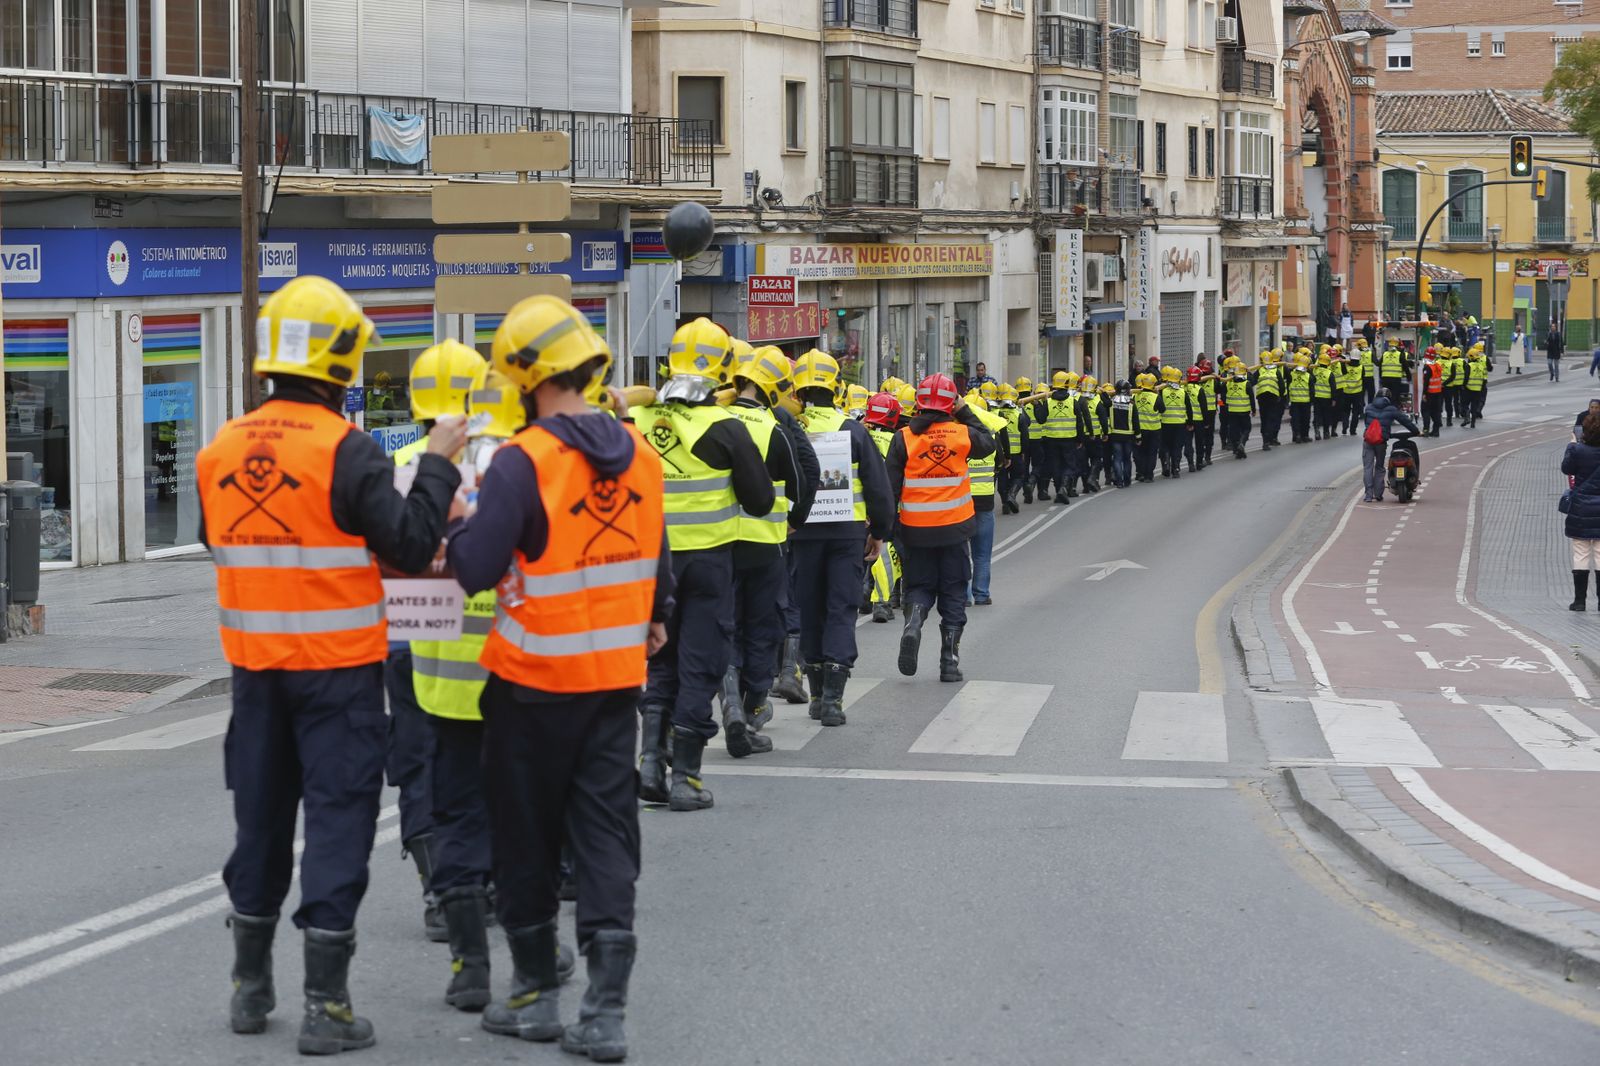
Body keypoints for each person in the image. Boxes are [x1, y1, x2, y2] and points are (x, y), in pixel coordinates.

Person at [198, 276, 464, 1053]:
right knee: (338, 825)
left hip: (255, 676)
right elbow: (410, 545)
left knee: (260, 825)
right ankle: (327, 1006)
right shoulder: (346, 451)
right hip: (339, 677)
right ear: (341, 361)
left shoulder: (219, 448)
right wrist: (439, 464)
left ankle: (249, 987)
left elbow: (222, 542)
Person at [444, 296, 667, 1061]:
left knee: (527, 838)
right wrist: (657, 612)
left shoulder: (524, 459)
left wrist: (460, 517)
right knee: (605, 836)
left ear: (526, 377)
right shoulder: (638, 452)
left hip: (531, 685)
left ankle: (535, 995)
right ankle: (604, 1012)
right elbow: (655, 550)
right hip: (613, 683)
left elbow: (474, 569)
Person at [633, 318, 775, 811]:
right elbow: (760, 502)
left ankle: (650, 762)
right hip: (707, 565)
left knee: (659, 662)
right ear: (725, 371)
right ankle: (686, 779)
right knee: (701, 663)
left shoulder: (638, 420)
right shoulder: (725, 427)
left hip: (650, 564)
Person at [388, 339, 487, 943]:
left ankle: (436, 890)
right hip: (482, 642)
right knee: (482, 764)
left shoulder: (397, 463)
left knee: (416, 760)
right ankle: (482, 881)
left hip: (407, 636)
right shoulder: (502, 460)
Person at [720, 345, 817, 757]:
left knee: (726, 622)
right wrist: (794, 519)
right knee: (763, 627)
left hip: (719, 542)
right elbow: (800, 482)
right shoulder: (773, 429)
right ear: (776, 388)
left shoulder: (718, 420)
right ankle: (753, 706)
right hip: (765, 545)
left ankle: (727, 696)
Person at [791, 350, 895, 727]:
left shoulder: (789, 427)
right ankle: (833, 701)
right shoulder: (853, 429)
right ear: (836, 388)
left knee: (809, 608)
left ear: (797, 389)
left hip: (800, 534)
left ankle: (817, 694)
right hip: (846, 535)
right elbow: (878, 487)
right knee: (840, 608)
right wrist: (880, 532)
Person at [887, 374, 996, 681]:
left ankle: (913, 624)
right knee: (954, 592)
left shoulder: (903, 438)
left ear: (918, 402)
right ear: (952, 403)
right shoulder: (962, 434)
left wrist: (891, 530)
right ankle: (949, 661)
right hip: (954, 530)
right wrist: (963, 409)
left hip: (915, 530)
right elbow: (988, 442)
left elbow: (889, 489)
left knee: (919, 587)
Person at [863, 392, 903, 622]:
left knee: (861, 553)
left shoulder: (860, 436)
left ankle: (863, 595)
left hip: (857, 508)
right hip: (886, 505)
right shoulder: (895, 441)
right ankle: (881, 602)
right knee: (885, 554)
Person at [965, 392, 1008, 605]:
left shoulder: (956, 435)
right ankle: (981, 594)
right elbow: (1000, 462)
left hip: (960, 502)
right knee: (982, 554)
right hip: (984, 501)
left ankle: (963, 596)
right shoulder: (990, 436)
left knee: (961, 553)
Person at [1030, 371, 1088, 503]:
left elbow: (1040, 419)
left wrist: (1037, 406)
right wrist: (1080, 439)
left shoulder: (1048, 402)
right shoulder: (1073, 402)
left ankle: (1058, 492)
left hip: (1051, 440)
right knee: (1070, 466)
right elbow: (1080, 423)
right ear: (1067, 384)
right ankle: (1064, 487)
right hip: (1069, 440)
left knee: (1055, 466)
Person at [1562, 412, 1600, 611]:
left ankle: (1579, 601)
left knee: (1581, 553)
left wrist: (1571, 445)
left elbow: (1566, 468)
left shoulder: (1578, 450)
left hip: (1581, 507)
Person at [1360, 388, 1420, 503]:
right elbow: (1405, 421)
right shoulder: (1391, 409)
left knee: (1368, 468)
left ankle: (1368, 496)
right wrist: (1416, 431)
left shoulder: (1369, 407)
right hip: (1381, 442)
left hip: (1368, 441)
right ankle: (1378, 494)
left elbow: (1367, 422)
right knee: (1379, 467)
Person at [1154, 366, 1193, 477]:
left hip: (1165, 423)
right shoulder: (1183, 392)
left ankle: (1166, 464)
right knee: (1177, 446)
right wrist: (1190, 423)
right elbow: (1189, 409)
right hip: (1179, 424)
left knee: (1165, 445)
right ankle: (1175, 468)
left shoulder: (1163, 391)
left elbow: (1158, 406)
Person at [1106, 379, 1137, 488]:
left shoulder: (1111, 402)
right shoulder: (1131, 403)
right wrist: (1138, 436)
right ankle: (1127, 480)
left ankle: (1119, 481)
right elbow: (1135, 420)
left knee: (1117, 459)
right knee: (1127, 459)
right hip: (1128, 435)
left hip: (1115, 434)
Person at [1132, 373, 1161, 482]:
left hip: (1140, 429)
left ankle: (1141, 472)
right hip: (1154, 430)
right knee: (1152, 452)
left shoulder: (1135, 396)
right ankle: (1149, 475)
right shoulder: (1156, 397)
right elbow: (1162, 409)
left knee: (1141, 452)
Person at [1255, 351, 1285, 450]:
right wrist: (1281, 396)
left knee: (1264, 418)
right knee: (1271, 418)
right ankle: (1269, 439)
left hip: (1262, 397)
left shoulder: (1260, 370)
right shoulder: (1276, 370)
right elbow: (1281, 385)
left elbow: (1251, 381)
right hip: (1273, 397)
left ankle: (1265, 441)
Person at [1286, 352, 1313, 443]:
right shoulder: (1308, 376)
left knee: (1296, 420)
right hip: (1306, 401)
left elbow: (1288, 385)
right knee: (1305, 420)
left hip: (1294, 401)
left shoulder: (1292, 374)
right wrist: (1312, 401)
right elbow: (1312, 390)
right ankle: (1305, 436)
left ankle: (1297, 435)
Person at [1419, 347, 1445, 437]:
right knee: (1435, 412)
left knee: (1425, 411)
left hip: (1429, 393)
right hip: (1438, 393)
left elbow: (1426, 382)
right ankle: (1436, 431)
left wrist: (1424, 394)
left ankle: (1426, 430)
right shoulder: (1437, 366)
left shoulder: (1427, 367)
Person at [1464, 345, 1489, 427]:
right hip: (1478, 389)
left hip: (1469, 388)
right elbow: (1483, 378)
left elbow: (1466, 377)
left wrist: (1463, 386)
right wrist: (1481, 386)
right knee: (1474, 406)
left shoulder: (1469, 366)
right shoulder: (1481, 366)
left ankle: (1467, 415)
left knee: (1465, 404)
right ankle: (1473, 423)